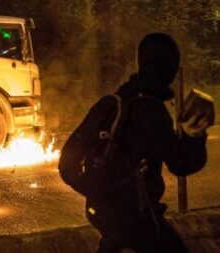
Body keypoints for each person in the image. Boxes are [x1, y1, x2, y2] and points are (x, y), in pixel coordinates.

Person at [85, 33, 211, 253]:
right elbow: (181, 163)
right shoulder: (149, 109)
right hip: (134, 214)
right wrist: (195, 134)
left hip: (102, 206)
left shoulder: (120, 99)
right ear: (169, 66)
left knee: (113, 241)